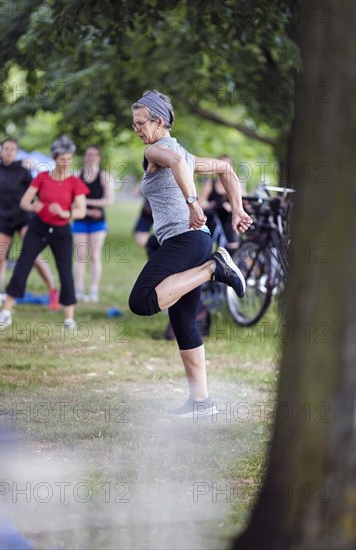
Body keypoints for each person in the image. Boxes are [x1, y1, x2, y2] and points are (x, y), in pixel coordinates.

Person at [128, 90, 253, 417]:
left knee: (141, 301)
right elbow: (227, 171)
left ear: (159, 121)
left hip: (185, 240)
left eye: (141, 123)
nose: (137, 129)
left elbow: (179, 164)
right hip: (194, 239)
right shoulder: (182, 151)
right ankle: (202, 402)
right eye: (134, 125)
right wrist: (237, 210)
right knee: (183, 321)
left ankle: (214, 268)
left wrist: (192, 202)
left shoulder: (158, 149)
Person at [0, 136, 89, 329]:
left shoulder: (75, 182)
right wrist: (33, 206)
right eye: (62, 160)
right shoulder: (42, 177)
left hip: (62, 230)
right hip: (38, 228)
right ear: (54, 158)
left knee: (65, 273)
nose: (65, 164)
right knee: (23, 265)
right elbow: (24, 202)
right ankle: (6, 312)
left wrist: (66, 213)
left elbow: (81, 210)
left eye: (69, 160)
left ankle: (69, 318)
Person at [0, 138, 58, 313]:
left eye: (13, 149)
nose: (9, 152)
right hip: (4, 220)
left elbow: (39, 191)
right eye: (6, 148)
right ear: (1, 151)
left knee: (33, 255)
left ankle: (53, 290)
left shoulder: (24, 170)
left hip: (24, 218)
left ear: (16, 152)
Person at [71, 145, 113, 302]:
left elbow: (108, 201)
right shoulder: (76, 176)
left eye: (95, 154)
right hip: (80, 219)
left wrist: (84, 202)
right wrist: (88, 209)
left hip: (98, 222)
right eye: (89, 154)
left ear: (99, 158)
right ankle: (79, 289)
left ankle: (93, 290)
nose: (91, 157)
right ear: (84, 157)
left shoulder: (104, 177)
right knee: (80, 255)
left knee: (95, 256)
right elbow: (71, 202)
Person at [199, 154, 246, 251]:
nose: (224, 167)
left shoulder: (237, 185)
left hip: (230, 222)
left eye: (227, 164)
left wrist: (232, 207)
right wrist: (216, 204)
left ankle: (232, 245)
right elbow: (200, 204)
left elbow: (244, 203)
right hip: (213, 220)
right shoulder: (210, 183)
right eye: (222, 164)